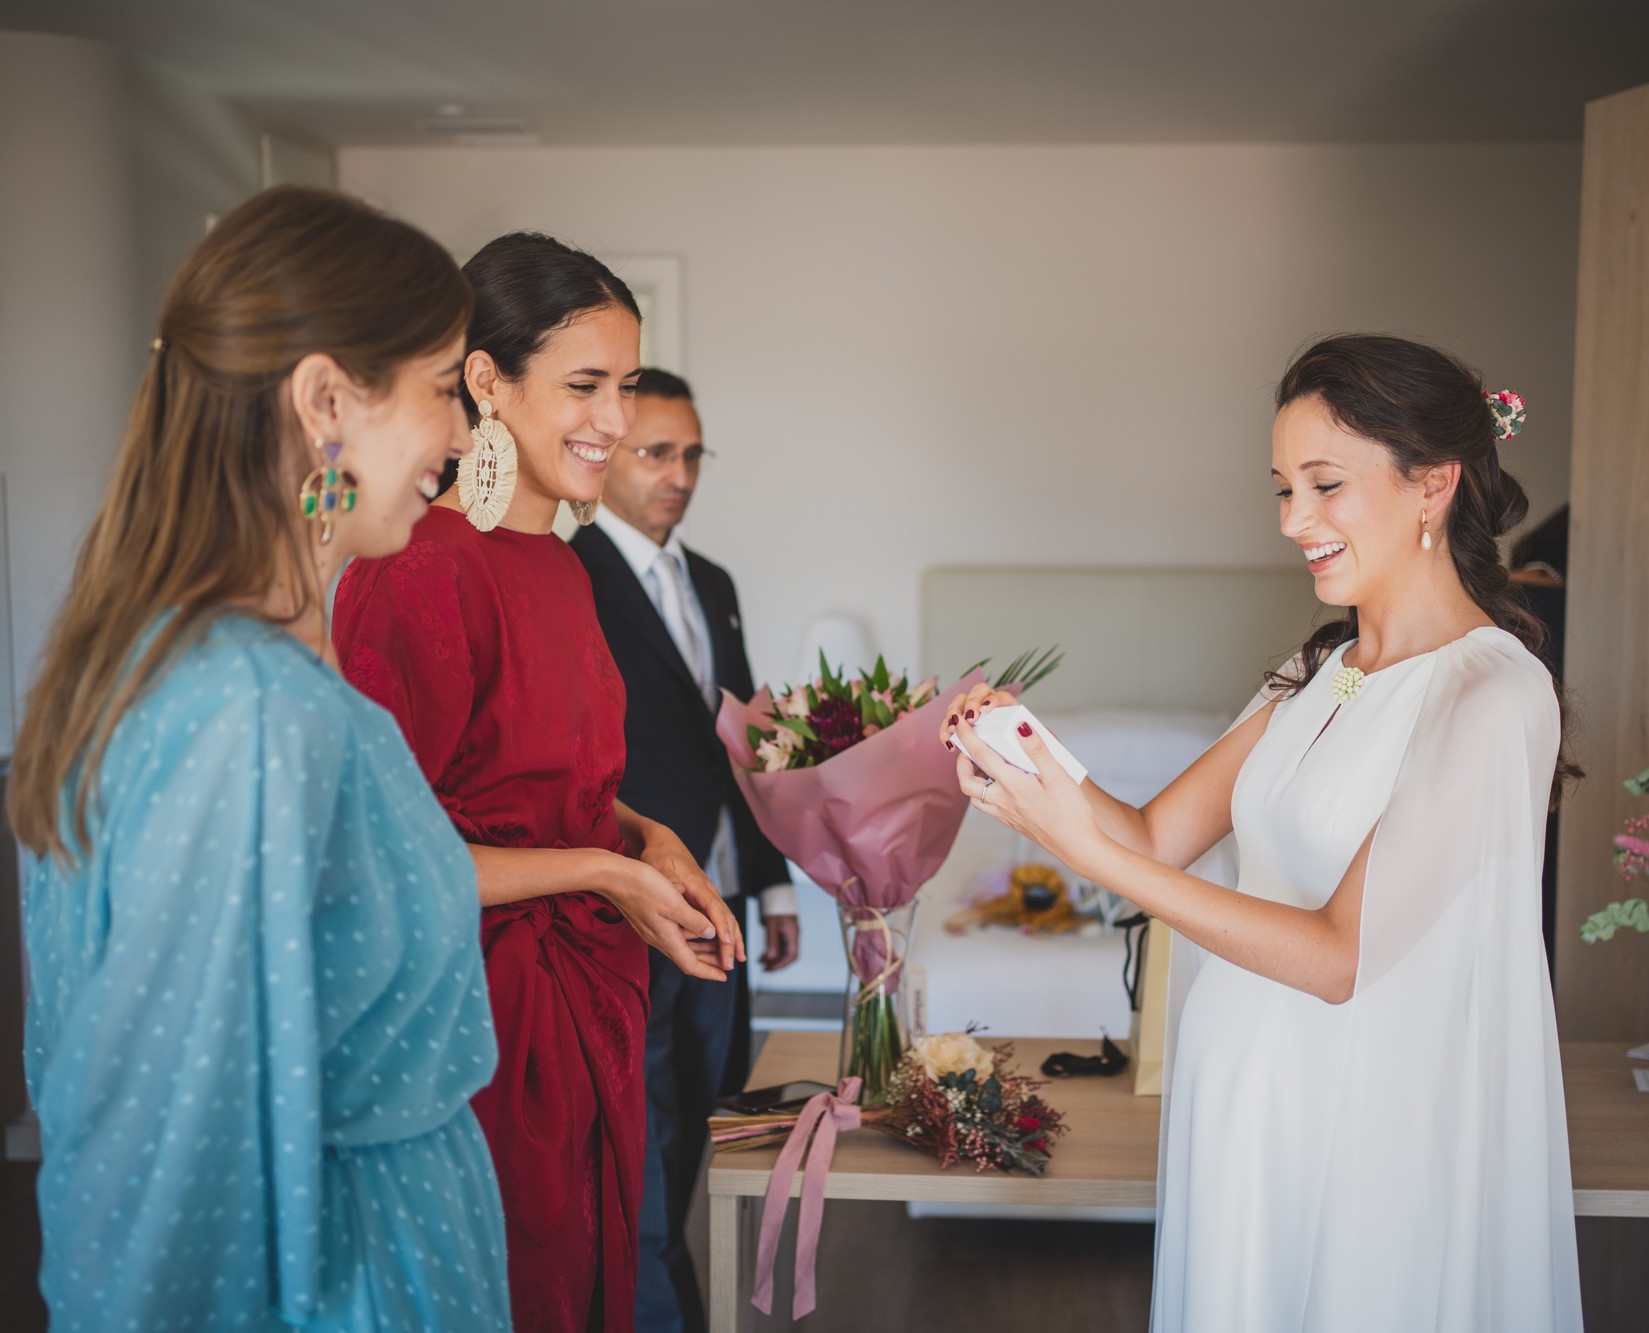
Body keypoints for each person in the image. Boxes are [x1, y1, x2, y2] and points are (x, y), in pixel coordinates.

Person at [944, 334, 1583, 1332]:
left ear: (1432, 485)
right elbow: (1153, 833)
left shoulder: (1489, 692)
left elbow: (1339, 956)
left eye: (1324, 486)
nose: (1294, 521)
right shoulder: (1314, 669)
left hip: (1359, 1130)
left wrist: (1092, 854)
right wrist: (1026, 756)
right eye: (1281, 488)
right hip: (1241, 1110)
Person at [9, 186, 512, 1331]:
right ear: (327, 399)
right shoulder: (241, 708)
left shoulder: (204, 661)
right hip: (352, 1275)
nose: (465, 436)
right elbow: (170, 1146)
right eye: (444, 390)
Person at [333, 233, 745, 1333]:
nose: (614, 419)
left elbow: (533, 780)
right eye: (584, 386)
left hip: (586, 1008)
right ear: (486, 382)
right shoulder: (421, 567)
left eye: (623, 384)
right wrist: (606, 869)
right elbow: (384, 857)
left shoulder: (559, 565)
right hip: (477, 1021)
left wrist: (645, 835)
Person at [568, 368, 800, 1333]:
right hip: (624, 900)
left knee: (709, 1118)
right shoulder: (572, 573)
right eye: (656, 452)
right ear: (610, 453)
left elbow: (742, 744)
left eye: (692, 453)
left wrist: (772, 883)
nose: (679, 473)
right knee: (646, 1138)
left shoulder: (713, 582)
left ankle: (668, 1293)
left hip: (720, 903)